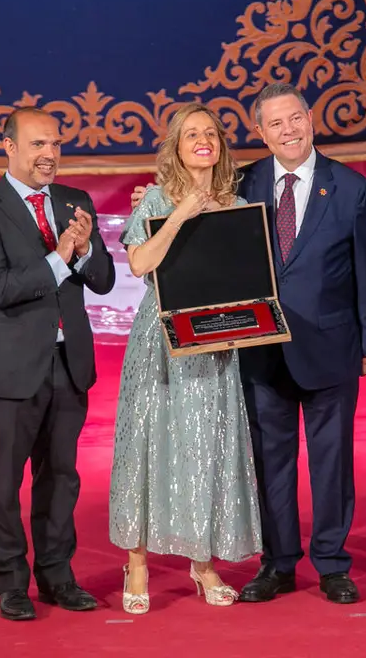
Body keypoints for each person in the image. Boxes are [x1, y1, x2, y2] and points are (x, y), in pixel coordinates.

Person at [130, 83, 366, 604]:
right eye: (275, 123)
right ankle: (278, 563)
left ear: (310, 119)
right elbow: (190, 202)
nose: (288, 130)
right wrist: (151, 199)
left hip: (331, 344)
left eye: (295, 119)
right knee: (269, 463)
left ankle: (333, 565)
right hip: (260, 347)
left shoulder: (351, 187)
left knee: (332, 464)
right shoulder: (242, 184)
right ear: (261, 133)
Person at [0, 106, 116, 621]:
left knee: (61, 478)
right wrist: (59, 256)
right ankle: (10, 583)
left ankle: (57, 576)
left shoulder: (74, 201)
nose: (49, 154)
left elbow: (103, 280)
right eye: (37, 144)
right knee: (3, 483)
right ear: (9, 146)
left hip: (68, 364)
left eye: (55, 144)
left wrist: (85, 249)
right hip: (8, 370)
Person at [110, 103, 262, 613]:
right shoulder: (155, 198)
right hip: (159, 338)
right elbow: (139, 263)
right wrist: (180, 214)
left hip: (216, 339)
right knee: (145, 445)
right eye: (192, 134)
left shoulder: (237, 203)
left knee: (206, 447)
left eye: (211, 133)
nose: (203, 140)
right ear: (175, 147)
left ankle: (202, 563)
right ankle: (136, 564)